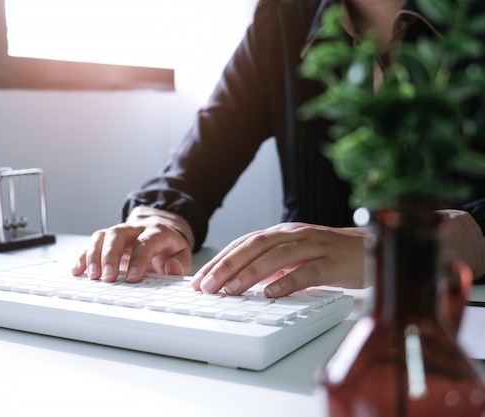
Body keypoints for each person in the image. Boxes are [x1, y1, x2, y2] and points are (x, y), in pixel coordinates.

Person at [72, 0, 485, 298]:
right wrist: (160, 220)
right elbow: (198, 165)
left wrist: (390, 250)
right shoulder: (286, 16)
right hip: (305, 318)